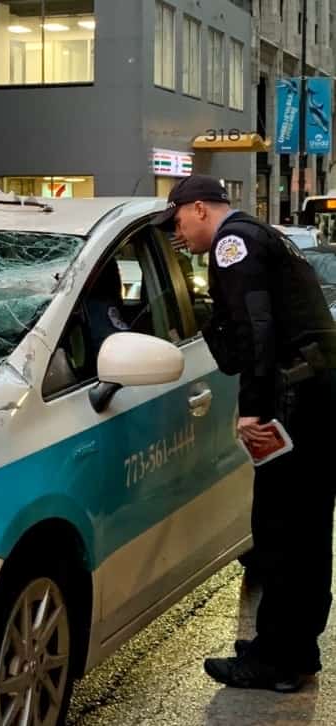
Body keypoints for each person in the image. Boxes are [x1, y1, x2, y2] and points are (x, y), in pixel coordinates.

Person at [152, 174, 336, 693]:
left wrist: (253, 411)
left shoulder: (234, 245)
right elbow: (239, 341)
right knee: (304, 530)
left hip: (291, 400)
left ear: (200, 209)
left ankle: (277, 660)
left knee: (281, 529)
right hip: (315, 395)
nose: (177, 234)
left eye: (179, 222)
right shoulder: (263, 237)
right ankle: (292, 647)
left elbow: (256, 334)